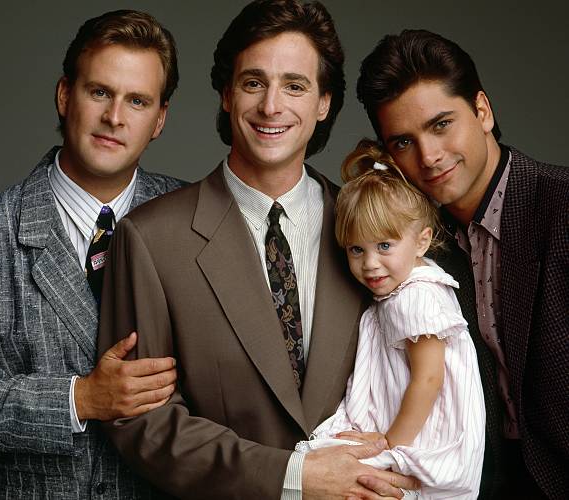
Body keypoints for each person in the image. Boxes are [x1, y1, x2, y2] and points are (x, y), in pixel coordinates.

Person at [98, 1, 418, 498]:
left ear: (323, 103)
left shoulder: (376, 230)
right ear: (227, 95)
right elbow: (144, 423)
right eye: (253, 83)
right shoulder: (151, 238)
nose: (272, 106)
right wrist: (292, 477)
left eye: (295, 85)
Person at [0, 10, 186, 498]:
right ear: (65, 96)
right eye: (99, 92)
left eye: (138, 101)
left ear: (159, 120)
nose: (115, 117)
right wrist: (79, 398)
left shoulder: (193, 219)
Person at [356, 29, 569, 499]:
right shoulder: (412, 243)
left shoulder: (560, 207)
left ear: (483, 111)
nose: (429, 157)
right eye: (404, 142)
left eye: (440, 125)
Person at [296, 139, 485, 499]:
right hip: (402, 420)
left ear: (421, 241)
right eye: (357, 249)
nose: (370, 263)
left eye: (384, 246)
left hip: (420, 434)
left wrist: (389, 443)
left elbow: (429, 378)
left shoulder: (417, 295)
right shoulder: (397, 291)